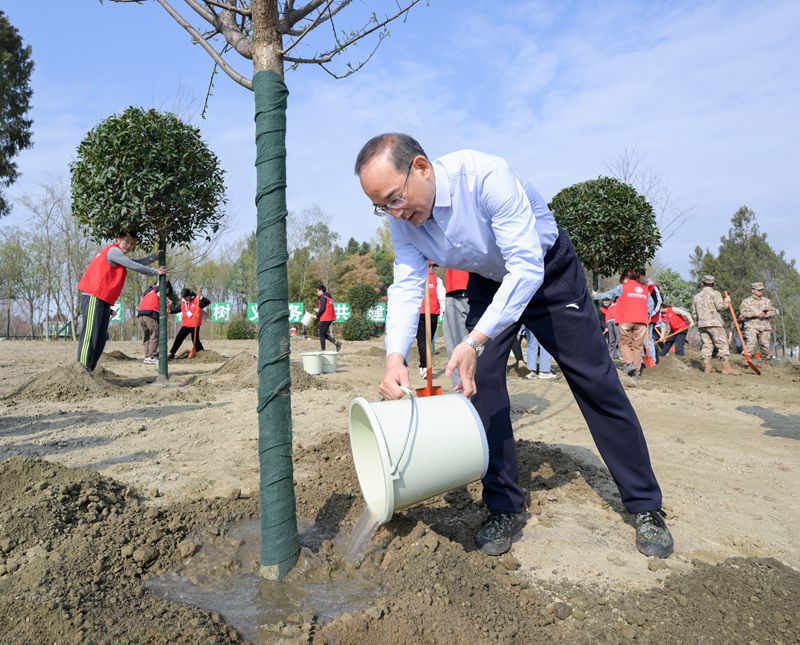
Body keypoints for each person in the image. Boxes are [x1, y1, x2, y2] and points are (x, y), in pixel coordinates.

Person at [355, 133, 673, 559]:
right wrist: (395, 356)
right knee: (479, 382)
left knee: (594, 381)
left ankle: (645, 505)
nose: (394, 212)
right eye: (382, 206)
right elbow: (407, 284)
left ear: (421, 168)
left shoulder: (485, 177)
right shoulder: (402, 221)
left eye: (394, 198)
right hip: (489, 282)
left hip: (548, 272)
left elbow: (525, 267)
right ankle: (503, 503)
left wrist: (473, 339)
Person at [76, 233, 166, 371]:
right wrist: (155, 272)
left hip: (104, 299)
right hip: (94, 295)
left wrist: (153, 257)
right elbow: (132, 265)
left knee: (100, 339)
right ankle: (81, 369)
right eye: (127, 242)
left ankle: (90, 369)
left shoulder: (119, 256)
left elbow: (134, 262)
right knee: (90, 334)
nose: (129, 246)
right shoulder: (113, 251)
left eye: (132, 244)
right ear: (118, 239)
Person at [691, 275, 737, 375]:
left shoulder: (696, 297)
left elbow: (694, 313)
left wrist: (698, 321)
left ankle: (707, 366)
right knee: (722, 344)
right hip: (714, 323)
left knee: (707, 345)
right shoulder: (715, 293)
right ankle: (726, 368)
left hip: (702, 324)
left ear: (702, 284)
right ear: (714, 284)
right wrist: (726, 301)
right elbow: (721, 307)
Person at [443, 268, 470, 386]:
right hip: (454, 292)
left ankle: (483, 398)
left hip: (483, 290)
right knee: (456, 352)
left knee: (483, 351)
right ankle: (461, 397)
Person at [137, 280, 174, 364]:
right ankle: (152, 357)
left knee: (147, 336)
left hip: (140, 315)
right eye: (168, 292)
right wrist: (168, 301)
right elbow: (162, 294)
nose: (167, 293)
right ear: (167, 288)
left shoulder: (149, 292)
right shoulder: (160, 289)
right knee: (155, 334)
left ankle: (147, 357)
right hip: (150, 314)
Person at [416, 262, 442, 377]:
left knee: (426, 341)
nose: (431, 269)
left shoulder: (437, 280)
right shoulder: (417, 280)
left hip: (432, 314)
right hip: (420, 314)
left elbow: (441, 296)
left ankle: (425, 366)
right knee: (423, 341)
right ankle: (424, 366)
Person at [739, 282, 776, 363]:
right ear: (753, 290)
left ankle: (765, 362)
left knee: (765, 345)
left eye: (762, 290)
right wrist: (755, 314)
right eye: (759, 290)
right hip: (751, 326)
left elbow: (773, 311)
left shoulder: (767, 301)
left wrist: (766, 315)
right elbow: (743, 314)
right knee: (751, 343)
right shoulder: (746, 301)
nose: (761, 291)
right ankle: (745, 361)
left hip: (765, 326)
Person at [168, 288, 210, 358]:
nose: (186, 298)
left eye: (187, 297)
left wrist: (201, 297)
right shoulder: (183, 303)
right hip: (186, 324)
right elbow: (177, 309)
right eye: (184, 297)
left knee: (195, 340)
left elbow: (207, 302)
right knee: (179, 338)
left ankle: (201, 353)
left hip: (195, 324)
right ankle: (172, 353)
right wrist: (170, 311)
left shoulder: (196, 300)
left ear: (190, 295)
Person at [312, 284, 342, 352]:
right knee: (323, 333)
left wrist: (316, 316)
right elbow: (325, 308)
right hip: (329, 317)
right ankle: (337, 343)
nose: (317, 293)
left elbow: (322, 309)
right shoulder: (328, 297)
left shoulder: (323, 297)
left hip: (325, 318)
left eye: (317, 291)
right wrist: (318, 310)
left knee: (321, 334)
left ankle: (323, 350)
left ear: (321, 291)